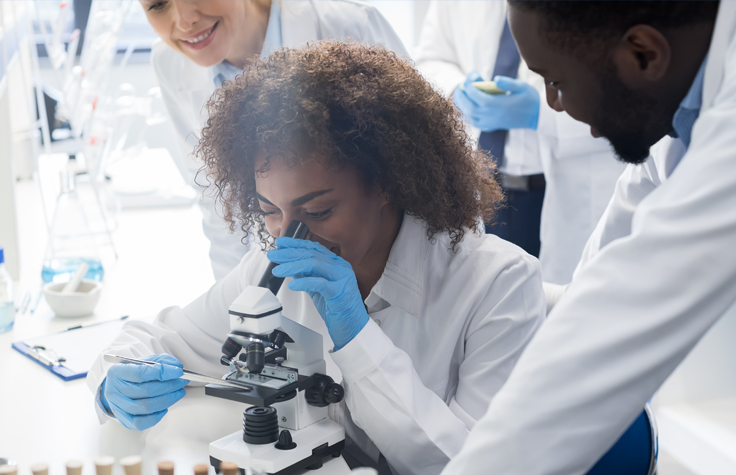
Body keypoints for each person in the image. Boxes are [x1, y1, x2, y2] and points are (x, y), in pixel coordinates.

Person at [88, 42, 546, 475]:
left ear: (387, 182)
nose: (291, 235)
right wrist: (115, 384)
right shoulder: (272, 271)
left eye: (319, 211)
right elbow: (154, 339)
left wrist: (357, 337)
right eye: (269, 211)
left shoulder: (500, 284)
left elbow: (469, 463)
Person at [441, 1, 734, 474]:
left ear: (643, 54)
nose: (553, 105)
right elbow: (603, 278)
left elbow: (610, 331)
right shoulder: (680, 115)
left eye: (554, 82)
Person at [140, 0, 408, 280]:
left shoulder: (348, 25)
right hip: (284, 278)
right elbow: (218, 204)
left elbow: (419, 167)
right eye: (157, 4)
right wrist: (237, 303)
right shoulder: (170, 62)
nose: (184, 21)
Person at [414, 1, 626, 285]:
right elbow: (431, 57)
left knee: (556, 302)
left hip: (560, 191)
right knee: (482, 299)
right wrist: (455, 90)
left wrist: (542, 112)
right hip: (478, 185)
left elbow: (627, 94)